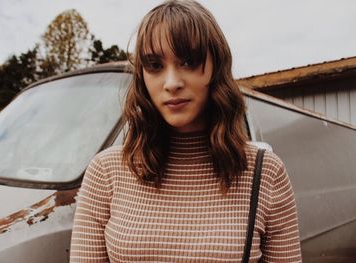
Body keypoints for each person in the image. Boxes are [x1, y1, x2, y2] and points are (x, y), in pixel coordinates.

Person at [70, 0, 302, 262]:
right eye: (155, 65)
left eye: (189, 61)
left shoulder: (265, 172)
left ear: (217, 67)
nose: (172, 83)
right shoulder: (106, 171)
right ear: (142, 76)